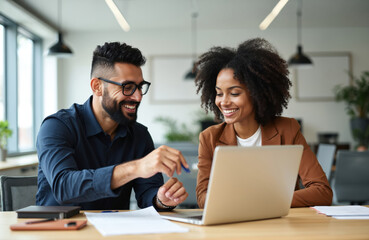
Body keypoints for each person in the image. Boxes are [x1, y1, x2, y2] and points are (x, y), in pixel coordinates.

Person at [36, 42, 189, 210]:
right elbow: (64, 186)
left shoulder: (139, 135)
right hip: (59, 231)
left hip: (114, 231)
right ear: (97, 87)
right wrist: (136, 167)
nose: (138, 97)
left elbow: (147, 193)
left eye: (139, 87)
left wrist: (161, 199)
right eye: (127, 87)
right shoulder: (57, 126)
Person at [194, 38, 333, 208]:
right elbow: (203, 197)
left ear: (257, 92)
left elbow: (322, 192)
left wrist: (263, 202)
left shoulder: (287, 130)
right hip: (232, 225)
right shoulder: (209, 138)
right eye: (219, 93)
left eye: (234, 93)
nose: (224, 102)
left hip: (278, 226)